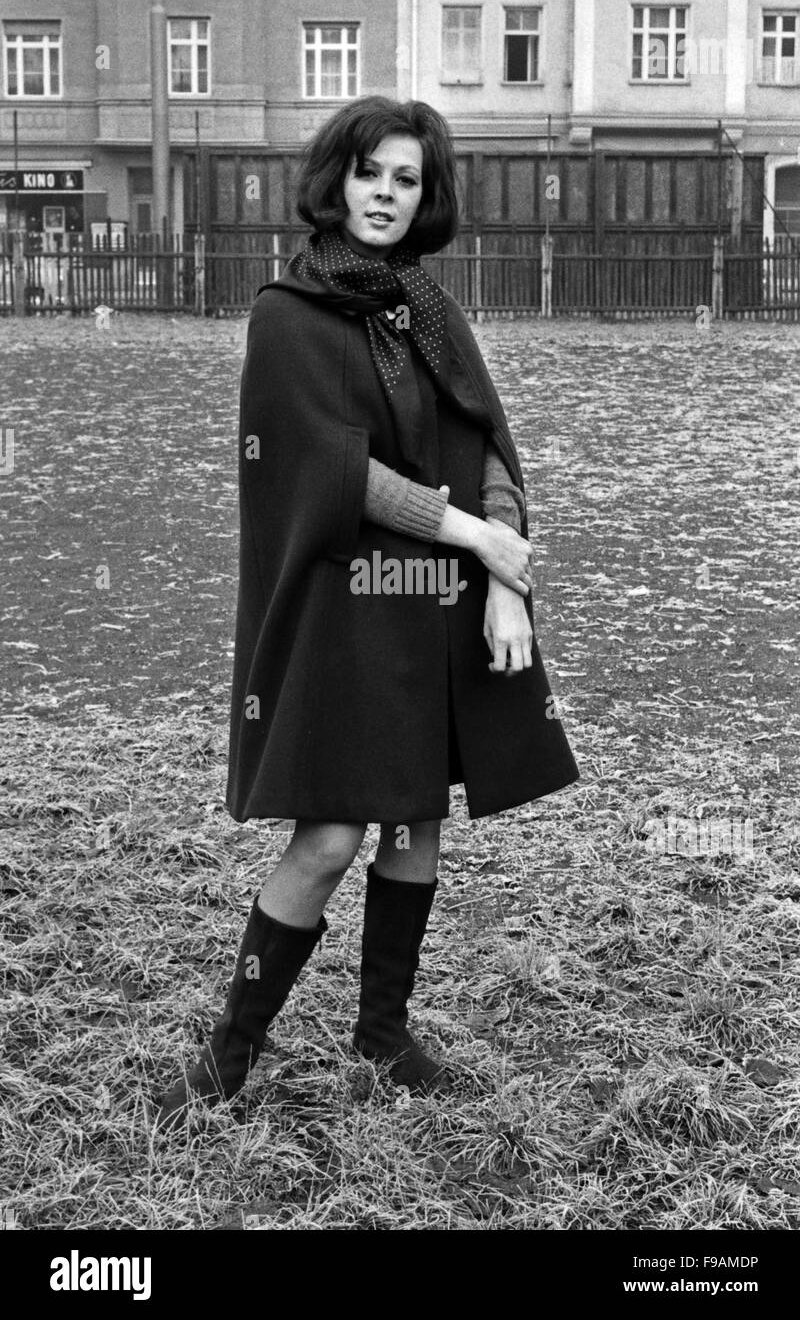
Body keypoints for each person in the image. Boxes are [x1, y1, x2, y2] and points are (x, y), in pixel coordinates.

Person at [155, 96, 578, 1131]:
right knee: (335, 829)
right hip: (348, 604)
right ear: (335, 182)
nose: (386, 195)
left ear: (425, 197)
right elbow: (338, 476)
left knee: (415, 819)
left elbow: (486, 442)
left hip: (430, 605)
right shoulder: (287, 314)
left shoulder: (427, 308)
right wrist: (477, 542)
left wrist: (505, 574)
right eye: (370, 174)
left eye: (407, 180)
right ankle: (230, 1050)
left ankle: (382, 1037)